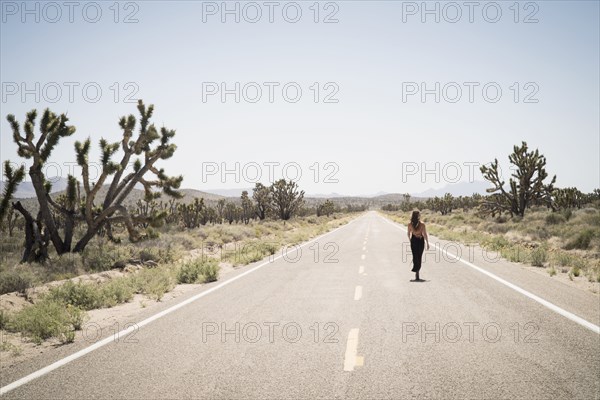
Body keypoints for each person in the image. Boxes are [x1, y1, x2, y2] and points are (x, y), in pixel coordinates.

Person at [407, 210, 429, 281]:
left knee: (415, 256)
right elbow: (425, 234)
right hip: (420, 241)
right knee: (419, 256)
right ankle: (417, 271)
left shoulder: (409, 224)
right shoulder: (422, 224)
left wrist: (410, 240)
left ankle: (416, 271)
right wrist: (427, 242)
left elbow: (408, 233)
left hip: (413, 240)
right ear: (418, 216)